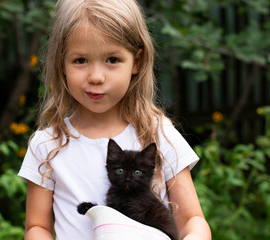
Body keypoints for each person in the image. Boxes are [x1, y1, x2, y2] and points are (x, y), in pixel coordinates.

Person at [18, 0, 212, 239]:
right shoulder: (47, 145)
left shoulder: (159, 134)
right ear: (62, 65)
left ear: (137, 62)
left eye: (112, 60)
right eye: (80, 60)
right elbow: (38, 228)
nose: (96, 77)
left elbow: (192, 220)